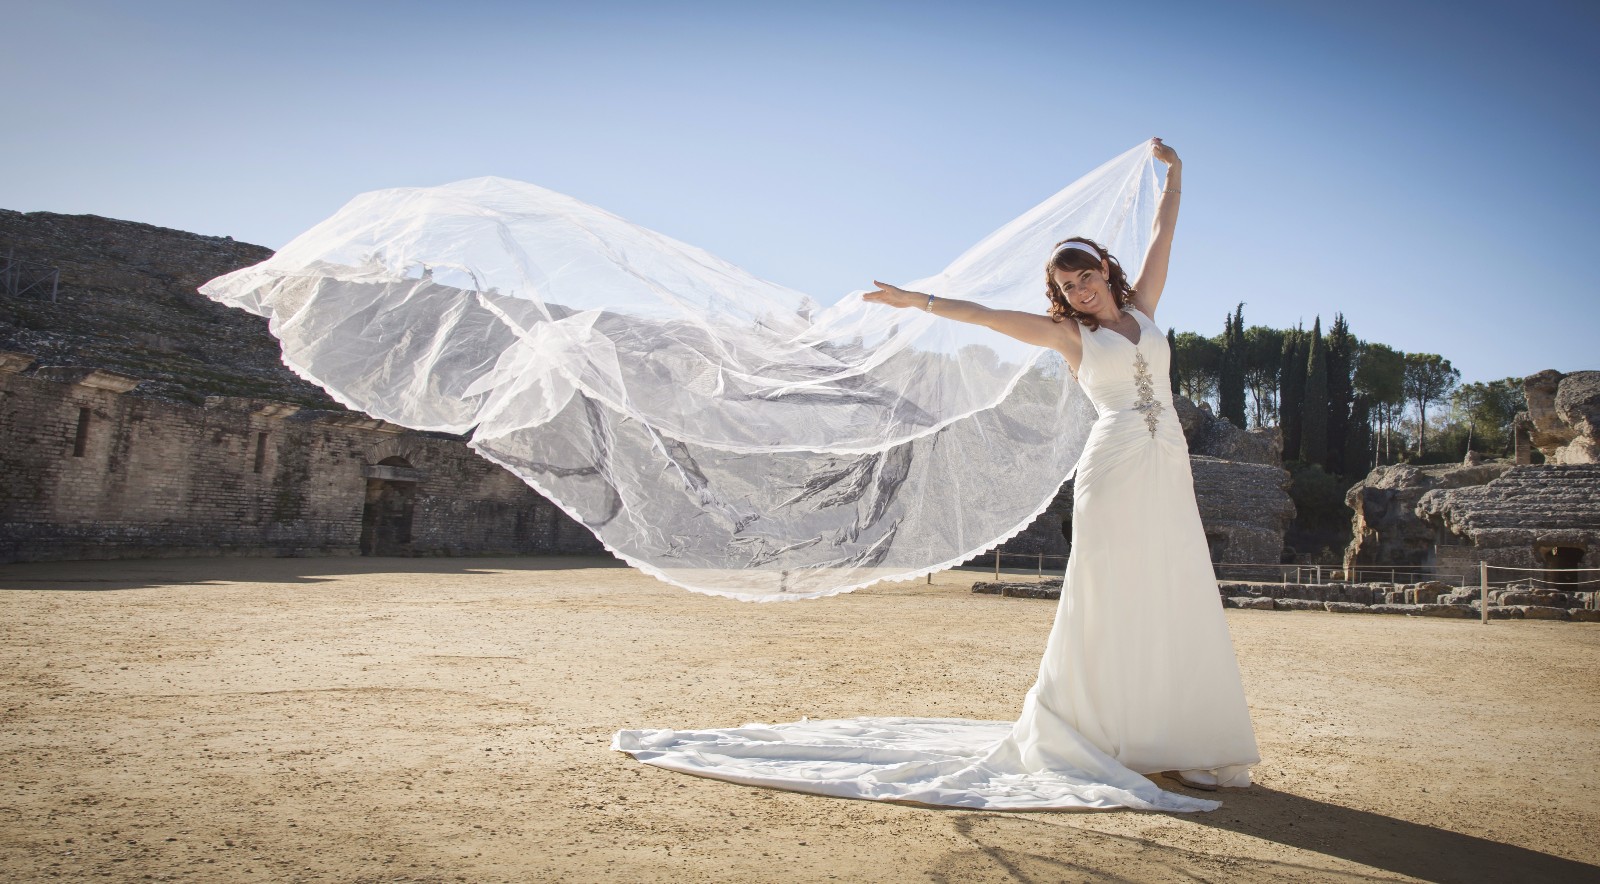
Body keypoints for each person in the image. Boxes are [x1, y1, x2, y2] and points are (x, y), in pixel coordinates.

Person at [614, 139, 1260, 811]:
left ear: (1105, 268)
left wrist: (1176, 177)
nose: (1080, 290)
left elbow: (1163, 233)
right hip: (1113, 462)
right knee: (1110, 592)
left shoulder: (1144, 311)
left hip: (1166, 462)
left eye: (1086, 277)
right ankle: (1103, 734)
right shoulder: (1068, 336)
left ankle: (1177, 740)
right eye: (1068, 286)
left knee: (1175, 582)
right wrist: (915, 300)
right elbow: (982, 316)